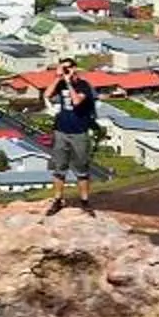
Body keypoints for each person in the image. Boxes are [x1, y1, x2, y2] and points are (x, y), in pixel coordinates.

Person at [43, 60, 99, 216]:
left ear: (75, 69)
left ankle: (85, 201)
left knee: (81, 169)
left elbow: (76, 101)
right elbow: (47, 95)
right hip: (61, 131)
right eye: (64, 67)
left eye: (68, 67)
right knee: (59, 168)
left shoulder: (83, 86)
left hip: (79, 132)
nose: (66, 70)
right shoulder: (60, 84)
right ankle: (58, 199)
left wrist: (69, 82)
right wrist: (57, 77)